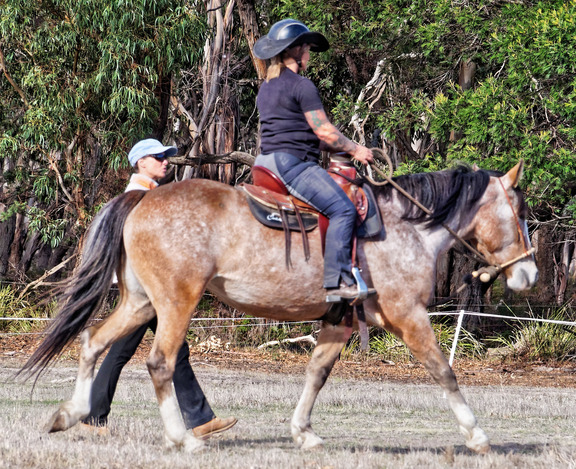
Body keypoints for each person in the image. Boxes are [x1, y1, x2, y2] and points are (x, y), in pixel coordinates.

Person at [80, 138, 237, 439]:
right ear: (141, 162)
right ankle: (93, 419)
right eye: (158, 157)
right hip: (144, 288)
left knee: (167, 350)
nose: (166, 161)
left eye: (166, 157)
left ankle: (199, 420)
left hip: (151, 286)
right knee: (132, 351)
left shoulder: (150, 195)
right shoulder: (137, 197)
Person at [253, 19, 376, 302]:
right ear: (295, 51)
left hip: (264, 164)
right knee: (344, 211)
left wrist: (334, 146)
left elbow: (298, 131)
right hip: (292, 166)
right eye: (307, 48)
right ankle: (338, 283)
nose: (309, 53)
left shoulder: (266, 86)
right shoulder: (302, 85)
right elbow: (324, 131)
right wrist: (356, 149)